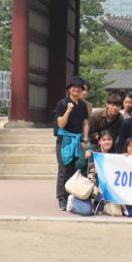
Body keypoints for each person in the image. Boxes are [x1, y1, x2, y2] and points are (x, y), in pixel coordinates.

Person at [53, 76, 90, 211]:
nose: (76, 89)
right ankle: (61, 198)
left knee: (75, 169)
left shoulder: (83, 105)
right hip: (65, 141)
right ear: (69, 89)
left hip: (78, 140)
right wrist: (68, 111)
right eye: (74, 87)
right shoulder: (62, 104)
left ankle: (72, 196)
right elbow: (61, 124)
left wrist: (85, 139)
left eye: (79, 87)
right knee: (63, 170)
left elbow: (85, 122)